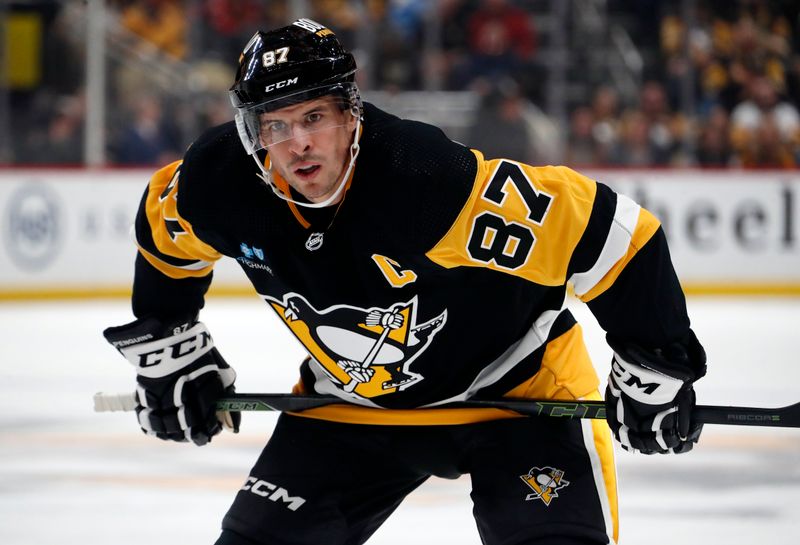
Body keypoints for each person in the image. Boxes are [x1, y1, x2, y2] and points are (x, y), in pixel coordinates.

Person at [103, 18, 707, 545]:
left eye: (314, 116)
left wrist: (655, 364)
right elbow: (164, 236)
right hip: (352, 406)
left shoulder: (426, 182)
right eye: (276, 125)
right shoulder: (221, 183)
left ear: (350, 114)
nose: (299, 143)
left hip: (518, 398)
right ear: (252, 131)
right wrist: (172, 356)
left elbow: (613, 233)